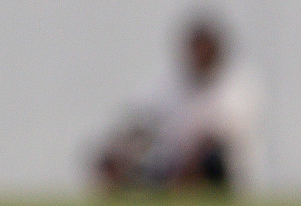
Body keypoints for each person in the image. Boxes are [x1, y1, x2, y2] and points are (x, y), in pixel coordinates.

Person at [94, 15, 260, 194]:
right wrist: (119, 151)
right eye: (196, 49)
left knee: (213, 158)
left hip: (222, 174)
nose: (199, 56)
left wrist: (186, 171)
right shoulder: (169, 84)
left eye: (205, 49)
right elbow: (141, 122)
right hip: (173, 166)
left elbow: (216, 139)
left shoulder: (236, 87)